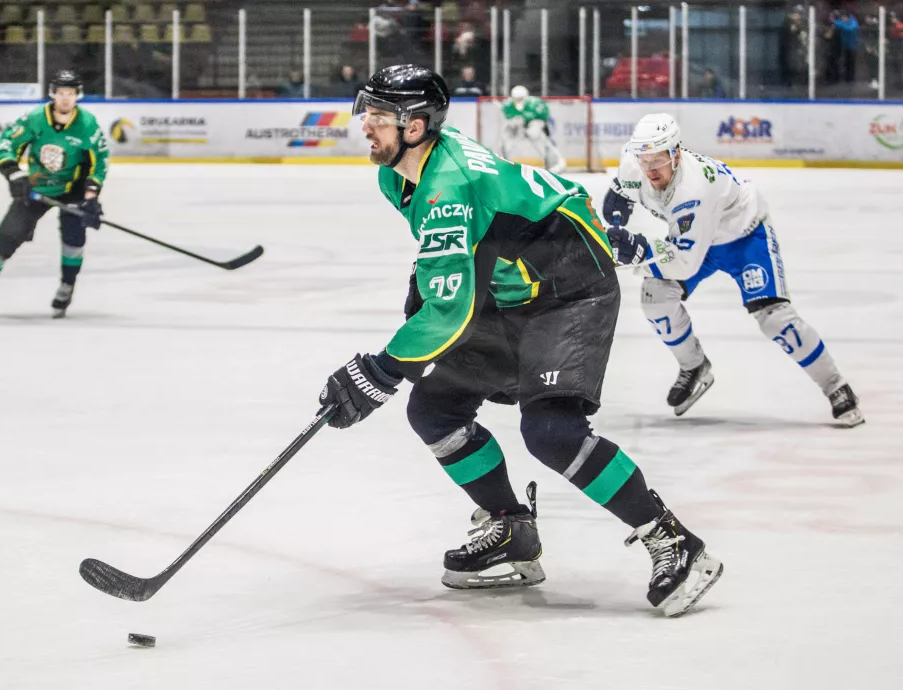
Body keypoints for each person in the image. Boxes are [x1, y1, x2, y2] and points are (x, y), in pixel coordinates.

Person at [316, 65, 723, 617]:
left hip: (570, 285)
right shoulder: (398, 175)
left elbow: (451, 309)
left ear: (414, 126)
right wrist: (427, 279)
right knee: (435, 409)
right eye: (367, 113)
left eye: (379, 117)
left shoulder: (451, 183)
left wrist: (381, 370)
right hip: (512, 288)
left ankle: (673, 539)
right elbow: (460, 250)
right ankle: (512, 530)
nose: (365, 125)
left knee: (552, 431)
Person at [602, 113, 863, 427]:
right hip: (697, 237)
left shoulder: (693, 191)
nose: (650, 169)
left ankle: (836, 385)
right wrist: (618, 201)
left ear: (676, 154)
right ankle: (694, 366)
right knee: (655, 298)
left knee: (775, 319)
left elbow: (684, 264)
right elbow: (624, 188)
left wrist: (641, 249)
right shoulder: (634, 165)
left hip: (743, 236)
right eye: (644, 160)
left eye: (657, 160)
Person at [0, 70, 108, 318]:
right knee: (7, 237)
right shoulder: (35, 118)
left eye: (70, 93)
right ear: (53, 94)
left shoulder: (87, 124)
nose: (65, 98)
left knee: (73, 240)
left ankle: (67, 285)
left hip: (73, 188)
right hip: (37, 188)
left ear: (77, 95)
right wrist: (14, 174)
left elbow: (99, 162)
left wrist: (90, 196)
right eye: (61, 93)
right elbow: (7, 144)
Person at [499, 85, 566, 172]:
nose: (519, 101)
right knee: (506, 136)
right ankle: (503, 163)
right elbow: (508, 118)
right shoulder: (508, 105)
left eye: (521, 98)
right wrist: (515, 122)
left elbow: (544, 116)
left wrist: (528, 119)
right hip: (517, 126)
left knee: (535, 134)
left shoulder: (536, 103)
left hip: (533, 123)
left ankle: (554, 163)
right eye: (516, 99)